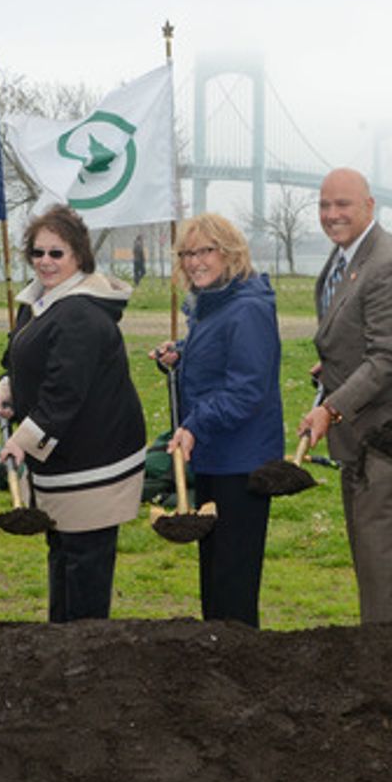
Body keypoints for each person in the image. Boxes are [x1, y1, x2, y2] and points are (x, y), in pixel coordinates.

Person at [0, 205, 146, 622]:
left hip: (94, 461)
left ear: (79, 255)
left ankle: (87, 661)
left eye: (56, 254)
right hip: (61, 458)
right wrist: (8, 389)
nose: (45, 262)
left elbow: (64, 392)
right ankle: (61, 648)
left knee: (85, 565)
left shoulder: (79, 312)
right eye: (37, 253)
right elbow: (22, 357)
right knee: (62, 553)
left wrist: (21, 443)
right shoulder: (38, 300)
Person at [299, 167, 392, 628]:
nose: (332, 215)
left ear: (370, 206)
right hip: (362, 428)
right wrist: (332, 369)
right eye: (324, 205)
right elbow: (358, 336)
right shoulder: (347, 256)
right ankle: (390, 651)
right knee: (374, 555)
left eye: (343, 205)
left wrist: (331, 406)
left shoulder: (387, 265)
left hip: (389, 431)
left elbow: (389, 357)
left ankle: (390, 661)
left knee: (379, 556)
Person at [151, 213, 283, 628]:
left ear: (230, 253)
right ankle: (219, 660)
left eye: (205, 251)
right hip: (213, 456)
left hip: (241, 462)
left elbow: (247, 388)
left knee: (232, 578)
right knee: (214, 570)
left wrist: (194, 425)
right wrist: (183, 353)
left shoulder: (248, 310)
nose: (195, 262)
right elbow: (220, 357)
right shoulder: (214, 307)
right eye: (187, 253)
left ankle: (241, 669)